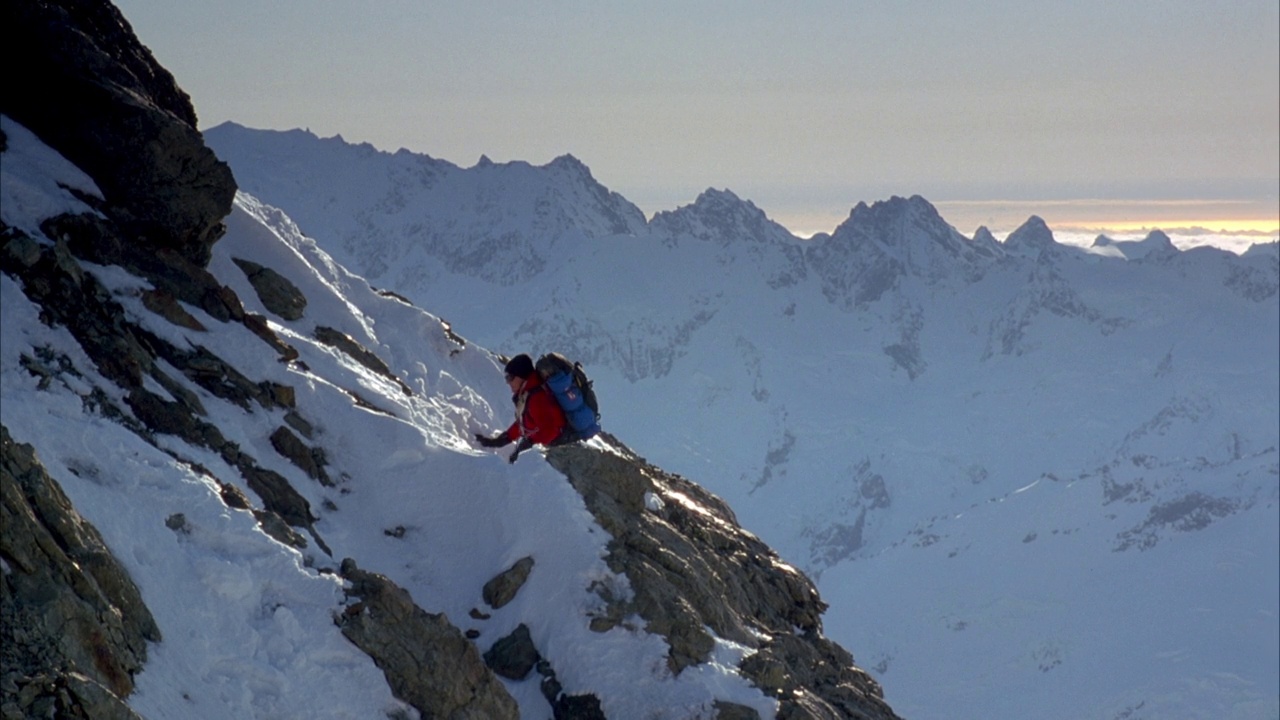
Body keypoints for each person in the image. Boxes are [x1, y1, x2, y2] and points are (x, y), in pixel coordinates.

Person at [475, 354, 567, 463]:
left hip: (560, 450)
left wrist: (529, 443)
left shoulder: (537, 397)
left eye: (510, 377)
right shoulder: (529, 393)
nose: (508, 382)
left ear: (521, 376)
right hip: (554, 446)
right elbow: (527, 422)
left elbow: (551, 429)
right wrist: (503, 439)